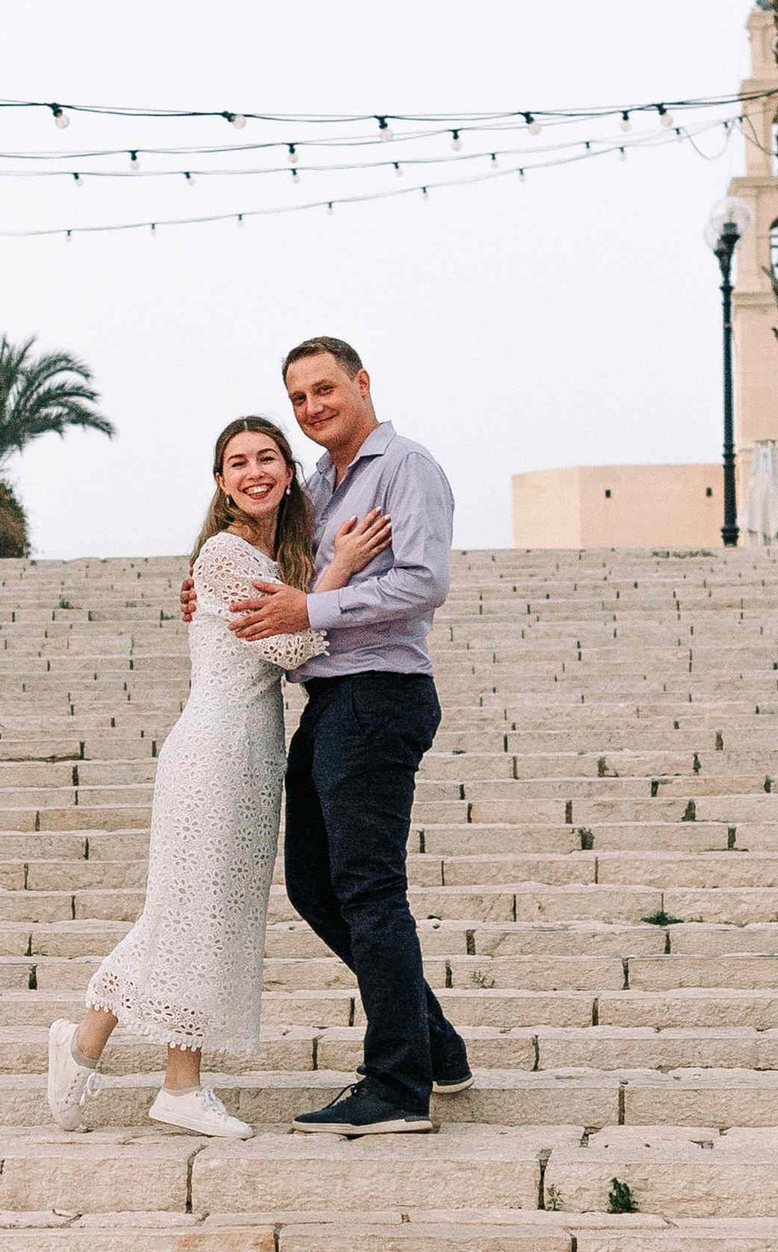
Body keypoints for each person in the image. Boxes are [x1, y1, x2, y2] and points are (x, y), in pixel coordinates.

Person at [47, 416, 394, 1139]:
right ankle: (179, 1087)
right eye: (238, 462)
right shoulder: (224, 556)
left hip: (252, 756)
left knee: (188, 916)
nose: (255, 470)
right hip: (212, 753)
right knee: (195, 917)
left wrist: (320, 572)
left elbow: (291, 634)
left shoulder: (271, 563)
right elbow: (294, 641)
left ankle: (81, 1045)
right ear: (221, 482)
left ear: (289, 472)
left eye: (268, 457)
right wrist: (342, 568)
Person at [225, 335, 469, 1134]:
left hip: (379, 692)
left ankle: (397, 1087)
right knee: (313, 885)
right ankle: (433, 1046)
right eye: (298, 399)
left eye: (325, 390)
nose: (312, 408)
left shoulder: (407, 467)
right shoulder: (321, 484)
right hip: (329, 700)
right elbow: (286, 576)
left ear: (362, 383)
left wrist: (311, 609)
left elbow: (424, 580)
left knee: (368, 890)